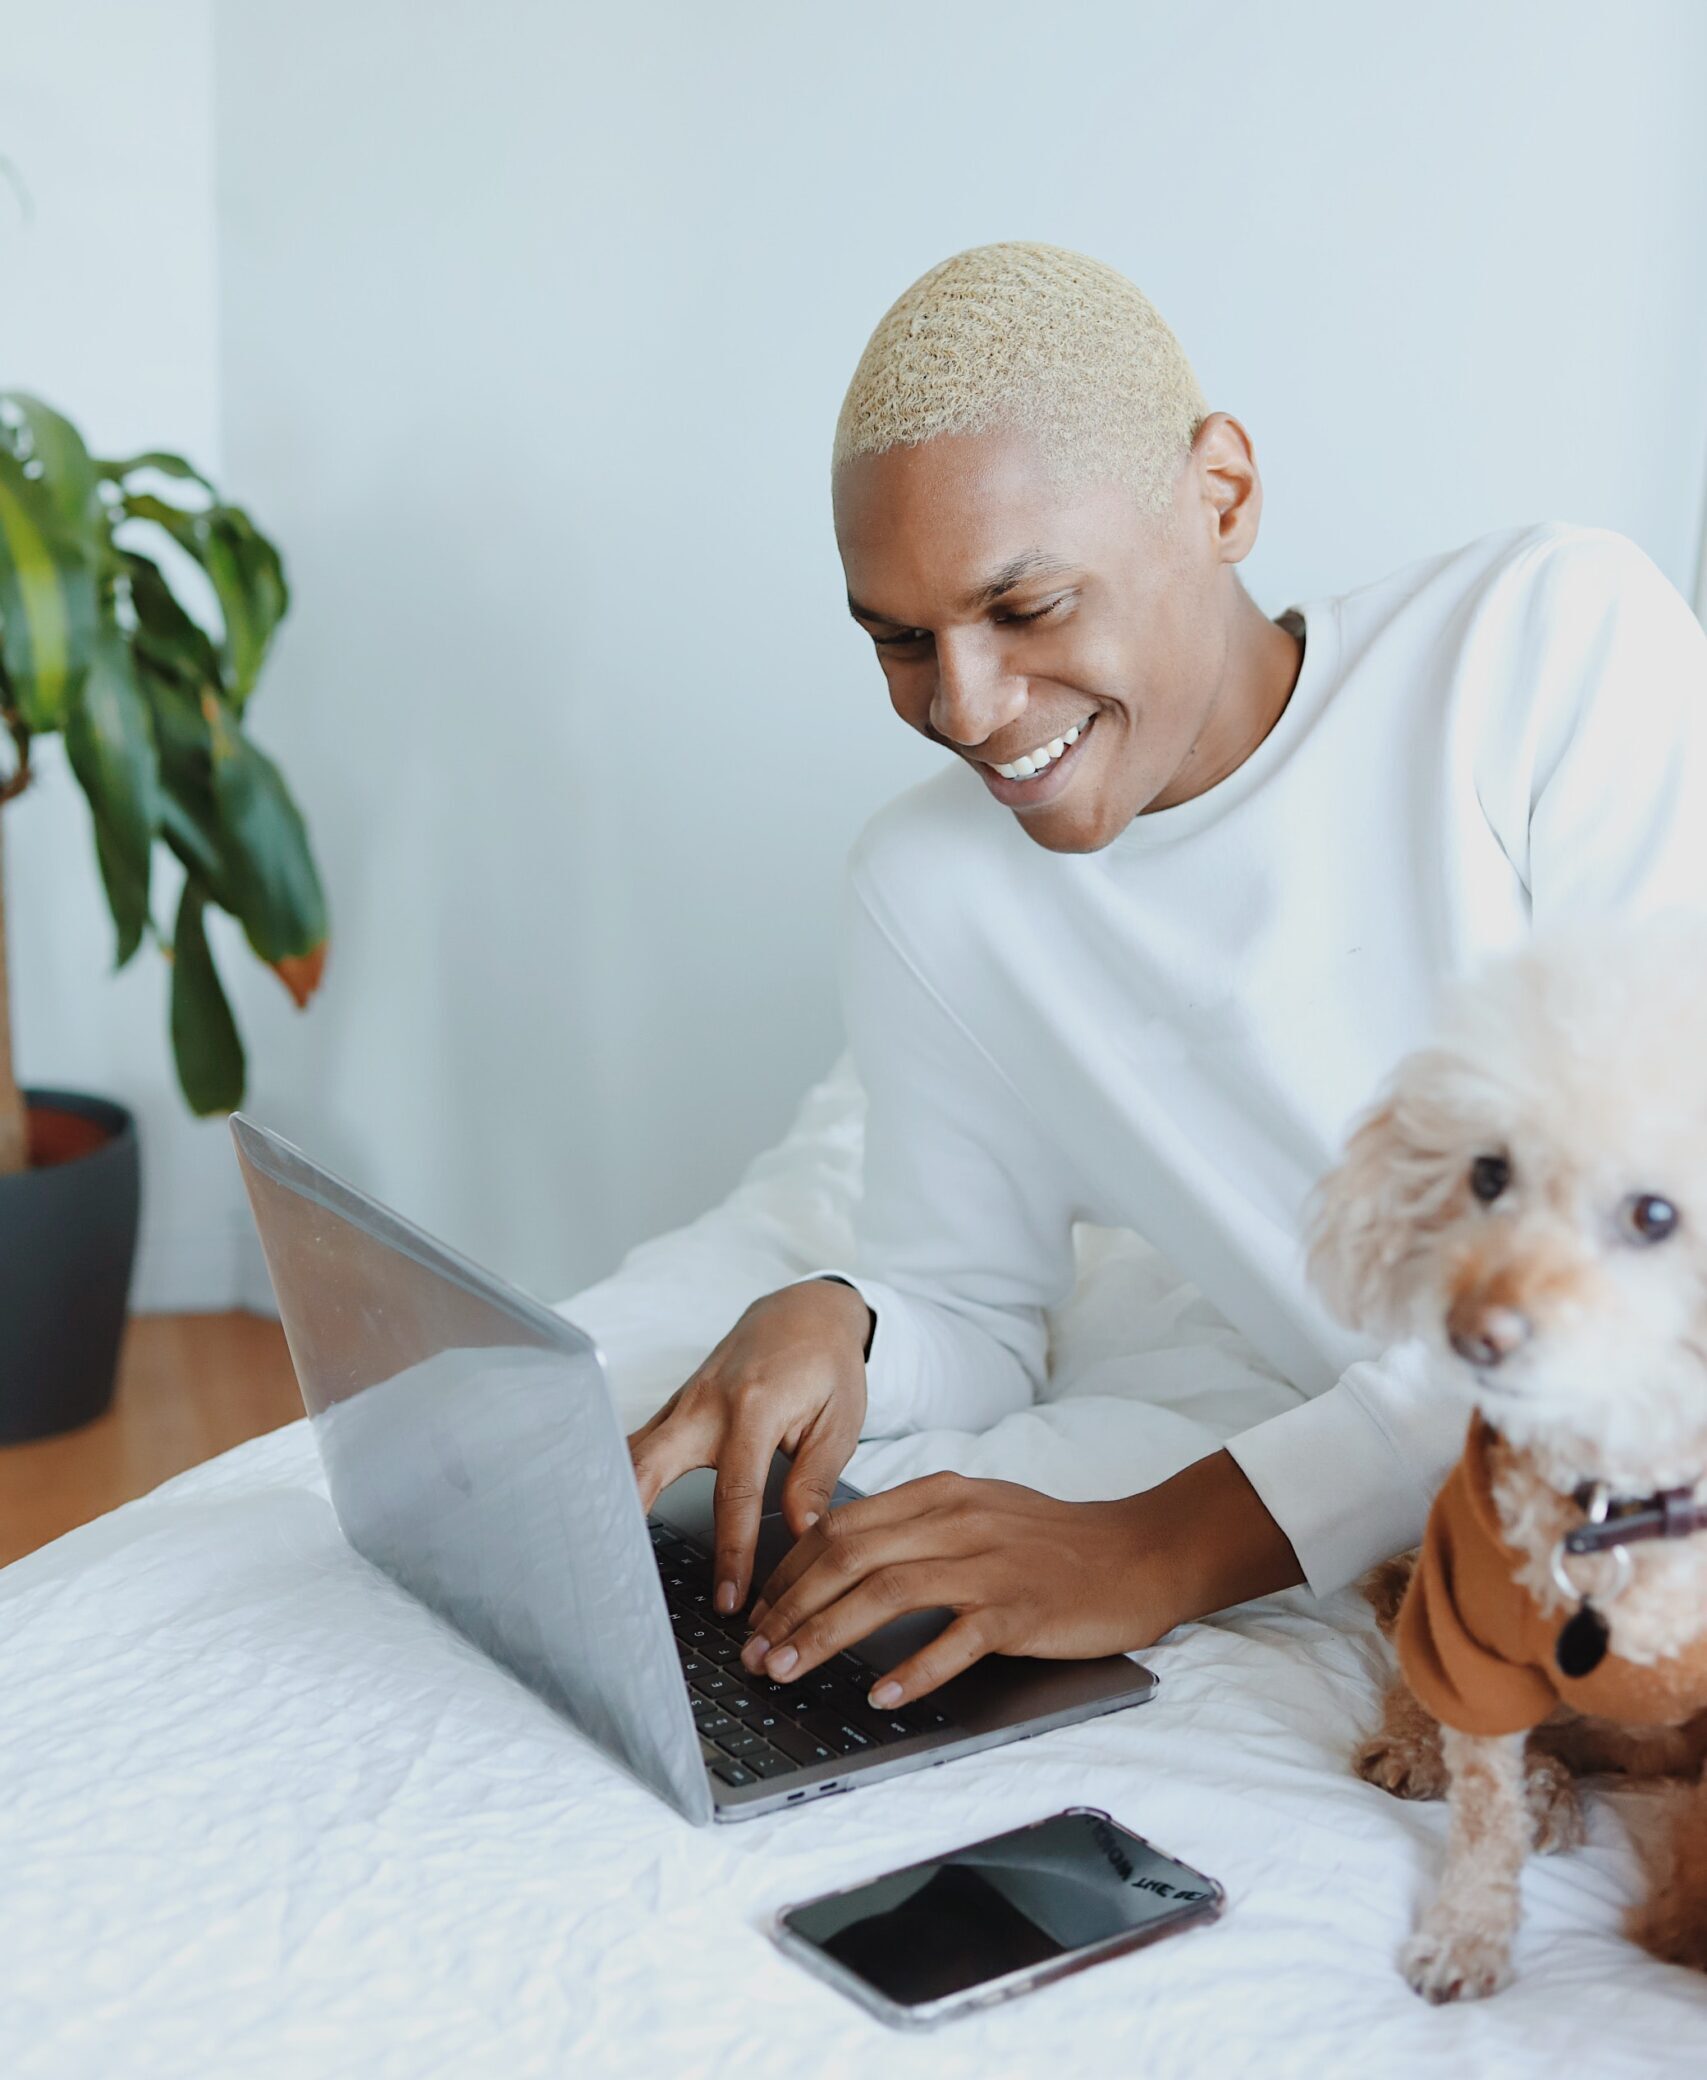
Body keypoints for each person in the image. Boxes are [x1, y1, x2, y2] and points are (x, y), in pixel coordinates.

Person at [626, 241, 1707, 1715]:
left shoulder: (1547, 644)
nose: (966, 708)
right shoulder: (926, 888)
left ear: (1222, 495)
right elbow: (979, 1305)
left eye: (1027, 609)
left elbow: (1655, 1295)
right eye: (898, 640)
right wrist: (845, 1320)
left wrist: (1155, 1547)